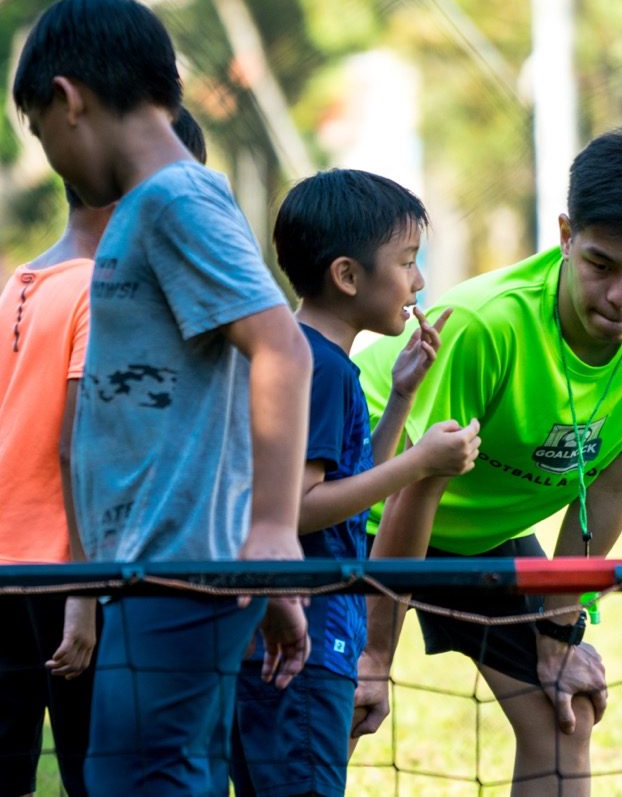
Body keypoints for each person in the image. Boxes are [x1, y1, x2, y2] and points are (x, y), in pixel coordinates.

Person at [351, 122, 622, 795]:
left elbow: (610, 484)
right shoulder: (485, 323)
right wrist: (375, 652)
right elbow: (415, 490)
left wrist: (559, 626)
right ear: (564, 235)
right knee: (338, 706)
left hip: (482, 529)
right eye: (601, 265)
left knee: (566, 712)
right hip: (372, 506)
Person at [12, 0, 313, 794]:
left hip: (182, 565)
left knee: (135, 778)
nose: (52, 157)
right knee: (162, 771)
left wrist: (274, 534)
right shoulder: (156, 207)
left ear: (67, 99)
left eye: (41, 134)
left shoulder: (174, 201)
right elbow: (225, 388)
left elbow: (282, 347)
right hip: (161, 563)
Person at [0, 107, 210, 797]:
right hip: (72, 579)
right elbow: (80, 446)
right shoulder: (103, 289)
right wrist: (85, 594)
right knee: (104, 775)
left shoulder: (18, 283)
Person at [230, 169, 480, 797]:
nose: (418, 281)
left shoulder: (302, 354)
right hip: (303, 648)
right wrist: (421, 464)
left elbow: (345, 481)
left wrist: (400, 398)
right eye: (407, 261)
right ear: (347, 276)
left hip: (282, 642)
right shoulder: (321, 369)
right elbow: (298, 510)